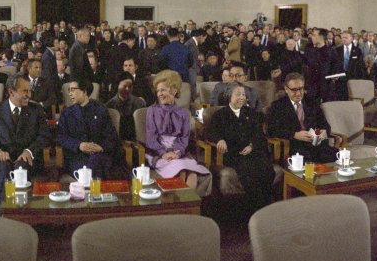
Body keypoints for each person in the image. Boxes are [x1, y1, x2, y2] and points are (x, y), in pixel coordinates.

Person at [0, 73, 52, 212]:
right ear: (11, 92)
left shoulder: (36, 110)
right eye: (25, 91)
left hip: (28, 159)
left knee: (21, 168)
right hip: (3, 158)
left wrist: (29, 151)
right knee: (3, 168)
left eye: (30, 90)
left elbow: (45, 136)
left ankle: (22, 214)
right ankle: (2, 215)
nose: (29, 95)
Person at [206, 84, 272, 214]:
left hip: (252, 151)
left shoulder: (251, 113)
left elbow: (259, 134)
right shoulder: (220, 114)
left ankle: (265, 207)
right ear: (229, 97)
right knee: (248, 170)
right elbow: (210, 132)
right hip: (233, 154)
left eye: (243, 95)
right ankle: (251, 209)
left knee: (266, 168)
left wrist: (252, 146)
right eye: (238, 94)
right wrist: (219, 140)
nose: (241, 97)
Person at [144, 70, 210, 189]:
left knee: (192, 174)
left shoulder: (184, 113)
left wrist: (177, 153)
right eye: (158, 91)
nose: (160, 94)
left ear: (174, 91)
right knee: (182, 171)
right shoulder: (152, 110)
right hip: (158, 152)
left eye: (163, 90)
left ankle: (188, 201)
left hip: (179, 152)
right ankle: (182, 199)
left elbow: (184, 139)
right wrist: (164, 153)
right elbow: (151, 138)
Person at [266, 72, 337, 163]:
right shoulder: (278, 106)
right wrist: (294, 134)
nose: (298, 93)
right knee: (306, 161)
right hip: (295, 146)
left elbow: (325, 125)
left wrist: (324, 132)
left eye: (301, 89)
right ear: (286, 89)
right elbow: (271, 130)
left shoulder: (312, 102)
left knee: (338, 157)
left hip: (316, 145)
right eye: (294, 90)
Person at [57, 78, 120, 178]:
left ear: (84, 91)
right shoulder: (67, 113)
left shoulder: (100, 110)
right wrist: (79, 145)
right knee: (91, 168)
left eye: (73, 90)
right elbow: (61, 137)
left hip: (99, 154)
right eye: (69, 90)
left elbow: (111, 136)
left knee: (98, 163)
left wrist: (101, 147)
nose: (69, 93)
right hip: (77, 156)